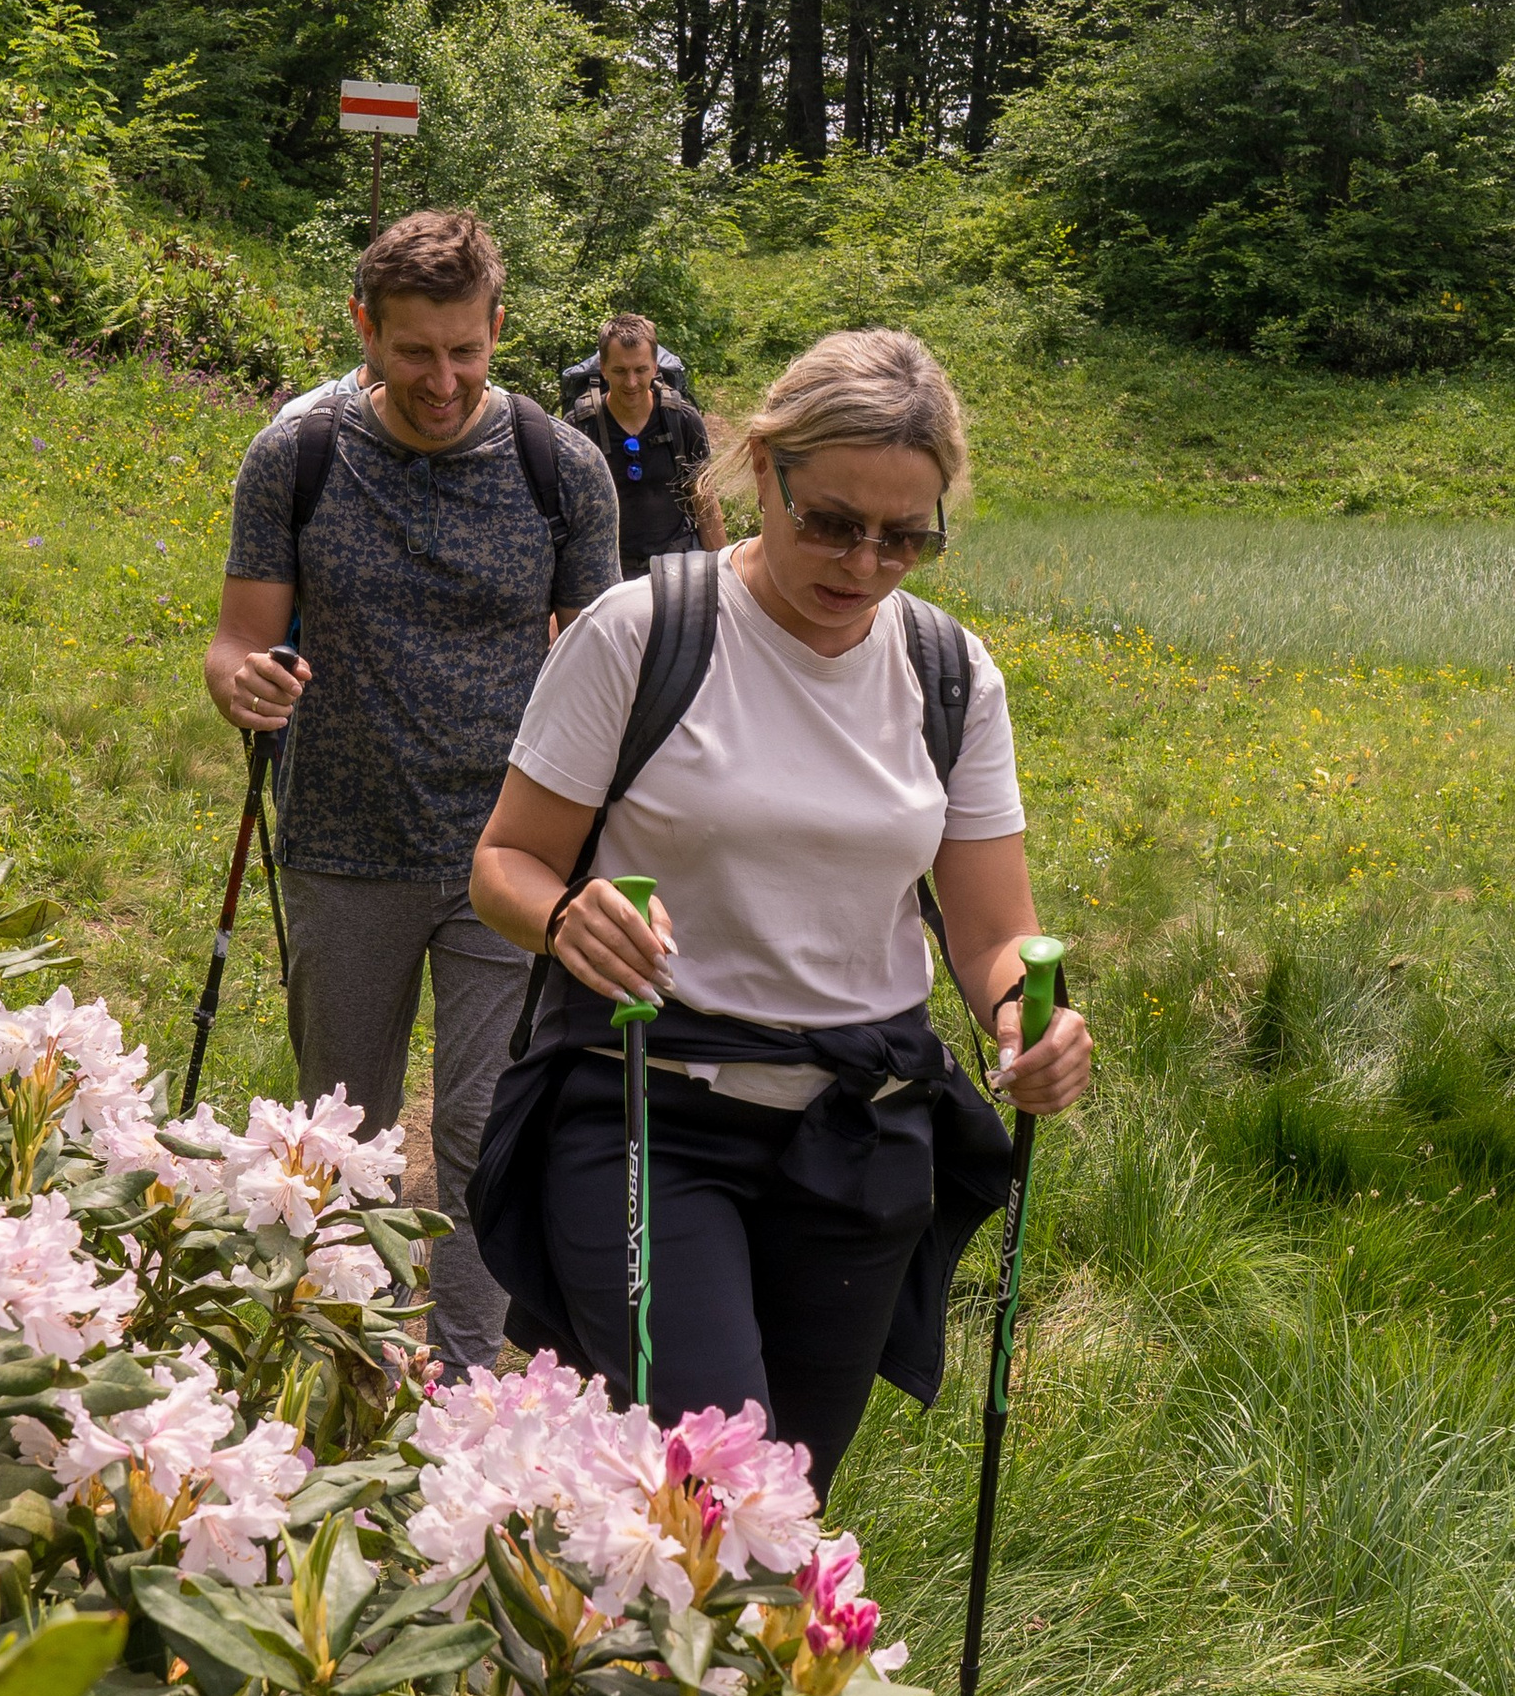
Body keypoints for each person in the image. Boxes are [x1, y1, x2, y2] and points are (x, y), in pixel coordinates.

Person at [467, 325, 1091, 1494]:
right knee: (716, 1490)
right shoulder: (643, 631)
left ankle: (577, 1638)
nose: (864, 562)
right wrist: (562, 921)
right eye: (833, 523)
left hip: (859, 1135)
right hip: (650, 1111)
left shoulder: (951, 675)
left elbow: (992, 930)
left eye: (906, 536)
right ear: (765, 471)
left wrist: (1028, 1018)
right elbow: (505, 860)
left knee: (779, 1511)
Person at [206, 208, 619, 1372]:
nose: (441, 381)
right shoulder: (300, 455)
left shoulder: (559, 468)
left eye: (464, 351)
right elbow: (237, 635)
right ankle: (350, 1358)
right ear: (364, 332)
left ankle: (458, 1379)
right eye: (412, 352)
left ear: (497, 329)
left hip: (508, 855)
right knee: (343, 1130)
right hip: (340, 841)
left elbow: (600, 666)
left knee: (488, 1131)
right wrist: (243, 685)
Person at [567, 313, 725, 567]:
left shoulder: (682, 420)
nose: (631, 382)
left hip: (676, 565)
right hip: (607, 569)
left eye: (641, 370)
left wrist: (721, 573)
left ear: (655, 367)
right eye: (620, 371)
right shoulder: (580, 427)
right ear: (604, 369)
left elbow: (704, 501)